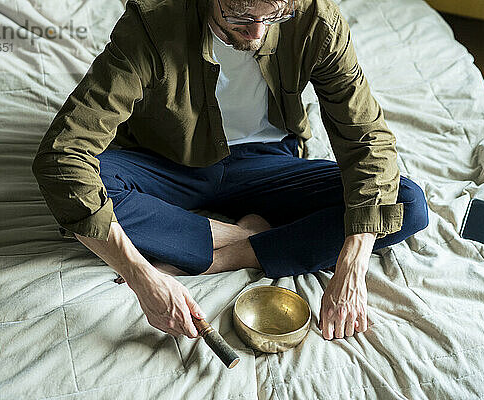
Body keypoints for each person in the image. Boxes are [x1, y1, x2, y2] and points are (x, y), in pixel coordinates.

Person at [32, 0, 428, 342]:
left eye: (273, 16)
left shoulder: (314, 20)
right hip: (169, 162)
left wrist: (353, 262)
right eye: (239, 14)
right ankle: (248, 233)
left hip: (269, 163)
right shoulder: (151, 23)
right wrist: (140, 275)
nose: (256, 32)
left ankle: (228, 253)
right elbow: (61, 155)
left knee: (405, 203)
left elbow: (366, 138)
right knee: (82, 187)